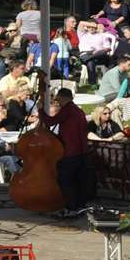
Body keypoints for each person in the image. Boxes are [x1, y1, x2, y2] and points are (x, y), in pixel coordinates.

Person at [38, 87, 93, 215]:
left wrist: (41, 109)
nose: (58, 103)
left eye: (58, 100)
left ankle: (70, 207)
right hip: (82, 151)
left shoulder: (67, 110)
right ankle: (79, 206)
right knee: (78, 180)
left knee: (65, 180)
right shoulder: (79, 111)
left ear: (63, 98)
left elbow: (49, 122)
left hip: (70, 152)